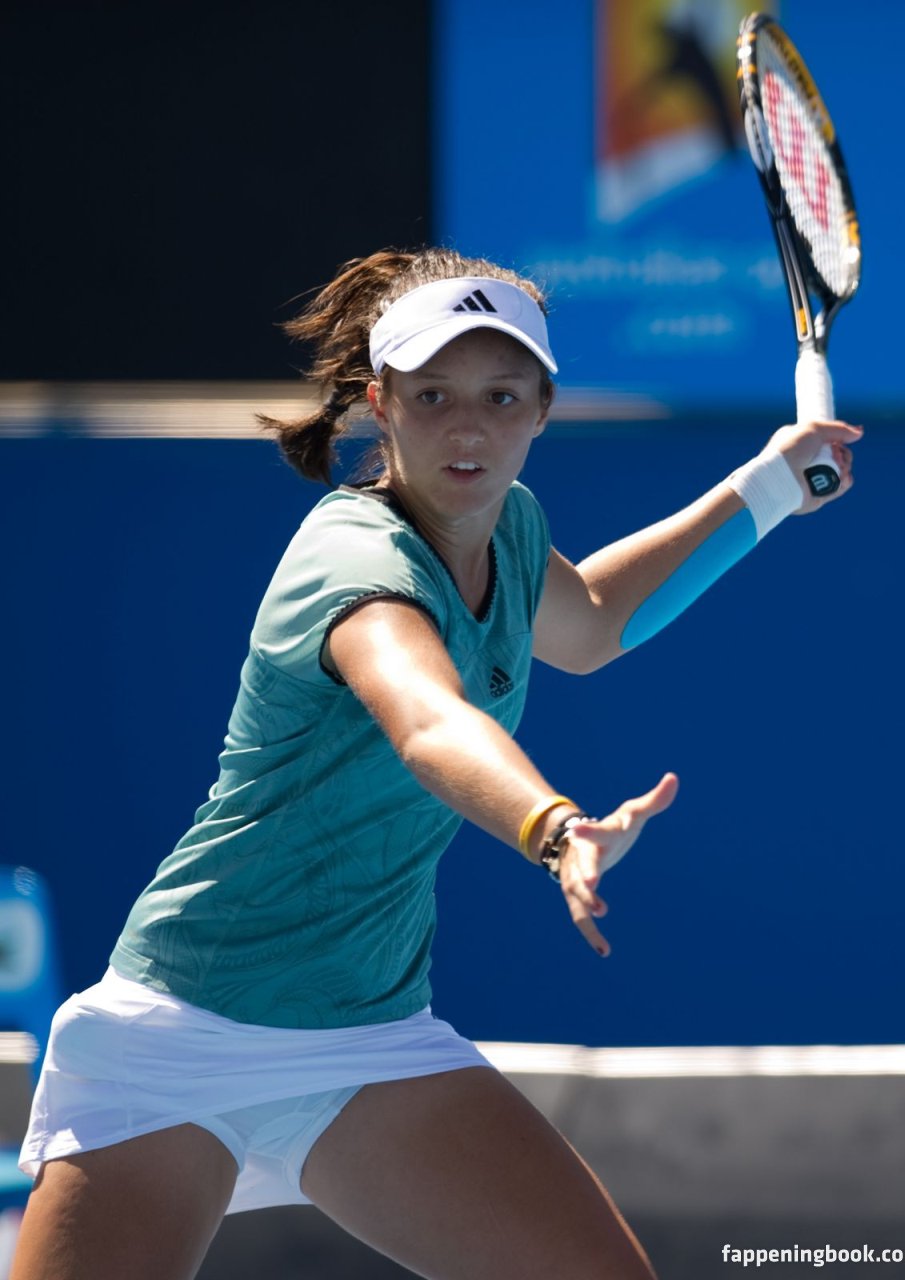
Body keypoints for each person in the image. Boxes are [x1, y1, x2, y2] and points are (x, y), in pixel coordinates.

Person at [12, 247, 861, 1280]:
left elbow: (592, 619)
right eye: (433, 396)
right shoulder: (355, 557)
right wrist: (554, 826)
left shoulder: (511, 528)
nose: (469, 428)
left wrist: (770, 486)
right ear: (381, 404)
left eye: (501, 397)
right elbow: (428, 721)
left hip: (367, 1037)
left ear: (542, 409)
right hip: (180, 1028)